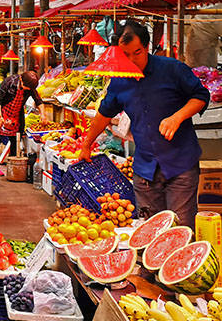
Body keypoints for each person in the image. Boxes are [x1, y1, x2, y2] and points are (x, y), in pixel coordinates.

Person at [77, 19, 210, 229]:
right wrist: (86, 145)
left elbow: (201, 96)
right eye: (125, 54)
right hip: (145, 169)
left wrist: (177, 117)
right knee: (148, 230)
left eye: (136, 53)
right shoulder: (119, 80)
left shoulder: (172, 69)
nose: (131, 60)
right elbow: (103, 114)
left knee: (180, 229)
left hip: (180, 166)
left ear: (147, 47)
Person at [0, 71, 42, 164]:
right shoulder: (9, 82)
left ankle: (12, 164)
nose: (28, 89)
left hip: (16, 115)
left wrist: (43, 115)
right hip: (2, 112)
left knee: (15, 140)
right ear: (21, 81)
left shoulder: (30, 85)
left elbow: (38, 100)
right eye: (26, 87)